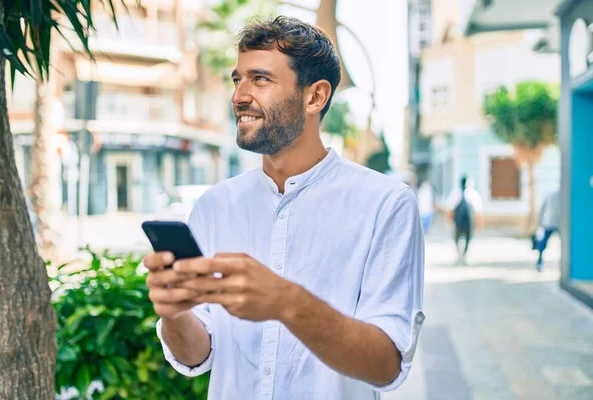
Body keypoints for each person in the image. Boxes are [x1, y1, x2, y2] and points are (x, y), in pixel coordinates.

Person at [143, 16, 425, 400]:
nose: (239, 95)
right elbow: (197, 355)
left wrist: (286, 302)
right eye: (237, 79)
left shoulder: (385, 205)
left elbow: (386, 365)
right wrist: (174, 311)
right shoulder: (214, 206)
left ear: (315, 96)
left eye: (259, 79)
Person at [445, 175, 483, 264]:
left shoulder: (456, 192)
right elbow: (478, 211)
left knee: (456, 238)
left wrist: (449, 221)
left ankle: (459, 254)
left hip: (458, 222)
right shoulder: (473, 193)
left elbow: (450, 208)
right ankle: (464, 254)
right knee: (468, 238)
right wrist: (479, 224)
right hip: (469, 222)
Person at [535, 190, 560, 271]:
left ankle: (539, 262)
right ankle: (539, 261)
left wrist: (540, 222)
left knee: (544, 242)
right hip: (557, 223)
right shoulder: (562, 195)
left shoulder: (550, 195)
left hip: (550, 222)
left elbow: (542, 209)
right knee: (564, 244)